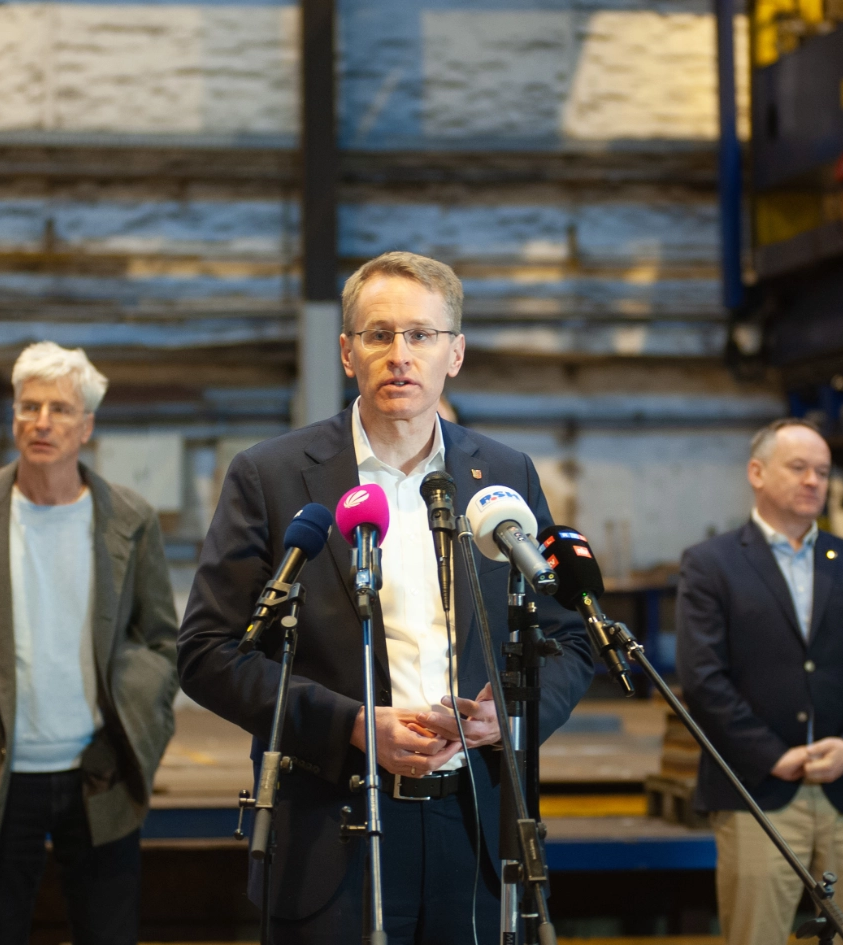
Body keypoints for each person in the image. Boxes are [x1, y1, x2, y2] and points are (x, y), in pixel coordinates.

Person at [178, 251, 595, 945]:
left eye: (421, 335)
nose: (399, 354)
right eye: (378, 335)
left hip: (476, 826)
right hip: (330, 831)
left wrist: (512, 717)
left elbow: (572, 637)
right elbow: (206, 652)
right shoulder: (271, 476)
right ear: (347, 352)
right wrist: (351, 724)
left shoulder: (507, 475)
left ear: (454, 354)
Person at [0, 342, 180, 945]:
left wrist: (137, 734)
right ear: (13, 418)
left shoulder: (129, 519)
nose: (41, 422)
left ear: (86, 427)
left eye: (58, 409)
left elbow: (161, 642)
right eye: (28, 407)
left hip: (98, 770)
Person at [676, 417, 843, 945]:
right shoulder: (710, 565)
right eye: (800, 468)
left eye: (824, 473)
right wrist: (772, 755)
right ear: (757, 473)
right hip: (758, 790)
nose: (814, 482)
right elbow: (702, 677)